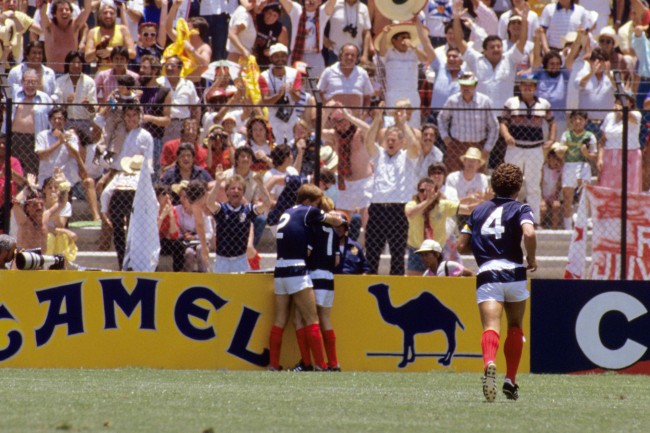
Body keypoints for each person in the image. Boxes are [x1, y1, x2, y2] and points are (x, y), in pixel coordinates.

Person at [457, 162, 537, 402]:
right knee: (515, 326)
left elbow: (461, 245)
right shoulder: (522, 208)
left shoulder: (478, 211)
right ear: (518, 187)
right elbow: (530, 233)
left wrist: (483, 248)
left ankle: (489, 363)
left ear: (492, 186)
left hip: (489, 273)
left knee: (491, 325)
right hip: (514, 272)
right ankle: (510, 380)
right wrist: (531, 258)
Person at [268, 183, 343, 371]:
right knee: (312, 319)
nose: (317, 208)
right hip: (297, 269)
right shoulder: (308, 211)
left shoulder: (287, 211)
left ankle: (274, 365)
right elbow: (335, 222)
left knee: (280, 319)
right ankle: (320, 365)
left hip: (280, 269)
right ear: (308, 201)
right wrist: (336, 218)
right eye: (316, 204)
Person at [364, 103, 420, 275]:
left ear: (401, 143)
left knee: (397, 255)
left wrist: (403, 123)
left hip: (398, 209)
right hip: (378, 208)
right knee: (372, 253)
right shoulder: (379, 154)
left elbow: (415, 146)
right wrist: (377, 118)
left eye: (394, 140)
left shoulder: (407, 157)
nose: (390, 142)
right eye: (388, 139)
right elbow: (368, 141)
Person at [290, 196, 341, 372]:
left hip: (314, 275)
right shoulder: (334, 231)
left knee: (301, 318)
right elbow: (336, 260)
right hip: (329, 277)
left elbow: (307, 253)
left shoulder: (314, 228)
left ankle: (308, 363)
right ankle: (334, 363)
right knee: (325, 319)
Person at [500, 74, 556, 226]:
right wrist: (507, 136)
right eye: (524, 85)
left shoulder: (543, 104)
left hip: (535, 149)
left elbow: (552, 122)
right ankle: (509, 219)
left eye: (531, 86)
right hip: (515, 147)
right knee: (511, 183)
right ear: (520, 87)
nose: (527, 88)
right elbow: (503, 122)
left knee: (533, 186)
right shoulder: (512, 102)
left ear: (535, 88)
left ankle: (533, 220)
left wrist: (551, 139)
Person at [405, 177, 474, 276]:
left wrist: (487, 201)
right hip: (417, 251)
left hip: (436, 252)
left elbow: (467, 209)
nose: (425, 193)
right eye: (422, 190)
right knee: (414, 284)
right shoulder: (412, 204)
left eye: (429, 191)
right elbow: (410, 214)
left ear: (436, 191)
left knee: (441, 283)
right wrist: (428, 201)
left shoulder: (443, 205)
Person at [206, 169, 272, 273]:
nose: (236, 190)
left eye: (239, 189)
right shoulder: (222, 209)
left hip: (241, 259)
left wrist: (260, 184)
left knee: (241, 288)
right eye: (232, 188)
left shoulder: (248, 210)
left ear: (243, 193)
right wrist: (218, 182)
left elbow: (267, 204)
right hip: (221, 259)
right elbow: (209, 203)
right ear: (227, 191)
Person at [437, 72, 498, 173]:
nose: (466, 88)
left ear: (475, 85)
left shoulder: (485, 101)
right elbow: (441, 118)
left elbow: (494, 127)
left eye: (469, 85)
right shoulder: (452, 101)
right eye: (463, 85)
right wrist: (445, 137)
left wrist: (487, 149)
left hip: (478, 147)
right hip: (456, 146)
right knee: (453, 176)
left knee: (477, 179)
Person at [559, 111, 597, 229]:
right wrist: (560, 153)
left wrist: (586, 153)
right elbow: (561, 151)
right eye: (575, 119)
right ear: (571, 121)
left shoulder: (590, 136)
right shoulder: (566, 135)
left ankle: (584, 224)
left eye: (580, 119)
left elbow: (594, 155)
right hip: (569, 164)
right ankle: (567, 227)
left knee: (585, 196)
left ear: (585, 121)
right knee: (567, 197)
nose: (577, 122)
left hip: (583, 165)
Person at [279, 0, 336, 78]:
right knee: (295, 84)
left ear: (320, 2)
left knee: (315, 86)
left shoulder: (322, 12)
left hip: (315, 56)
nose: (311, 1)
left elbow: (332, 2)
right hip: (297, 55)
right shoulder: (296, 10)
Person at [258, 43, 302, 144]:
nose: (280, 59)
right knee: (277, 144)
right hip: (274, 116)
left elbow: (297, 98)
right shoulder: (264, 76)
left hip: (291, 115)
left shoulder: (295, 73)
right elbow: (265, 101)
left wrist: (291, 92)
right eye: (276, 56)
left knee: (293, 143)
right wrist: (279, 95)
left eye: (283, 56)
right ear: (271, 58)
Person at [597, 95, 643, 192]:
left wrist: (623, 110)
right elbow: (602, 140)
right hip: (610, 155)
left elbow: (633, 119)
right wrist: (600, 158)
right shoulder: (609, 116)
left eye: (623, 100)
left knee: (628, 188)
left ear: (630, 103)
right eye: (618, 100)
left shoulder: (636, 114)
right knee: (608, 187)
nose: (619, 102)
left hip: (629, 155)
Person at [39, 0, 94, 74]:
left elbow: (87, 10)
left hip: (71, 74)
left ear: (71, 13)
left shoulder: (75, 26)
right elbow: (42, 13)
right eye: (61, 10)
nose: (64, 12)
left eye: (67, 10)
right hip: (52, 74)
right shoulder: (49, 27)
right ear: (55, 14)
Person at [54, 51, 98, 133]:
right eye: (73, 62)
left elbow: (94, 110)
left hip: (84, 123)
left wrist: (88, 105)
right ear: (68, 64)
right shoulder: (60, 81)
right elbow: (57, 108)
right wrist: (67, 104)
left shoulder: (89, 82)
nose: (76, 65)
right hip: (65, 122)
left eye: (79, 63)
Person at [85, 2, 136, 69]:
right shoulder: (92, 32)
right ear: (99, 16)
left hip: (120, 73)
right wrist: (99, 49)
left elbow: (132, 54)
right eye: (105, 13)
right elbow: (87, 58)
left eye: (111, 13)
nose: (108, 16)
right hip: (102, 74)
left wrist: (113, 51)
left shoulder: (123, 30)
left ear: (115, 16)